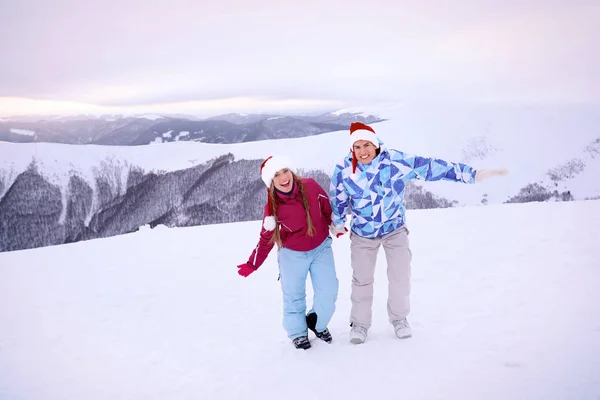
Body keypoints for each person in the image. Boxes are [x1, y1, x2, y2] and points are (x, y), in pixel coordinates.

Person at [329, 122, 508, 344]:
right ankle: (360, 324)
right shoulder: (344, 170)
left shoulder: (396, 162)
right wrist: (337, 223)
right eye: (357, 147)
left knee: (400, 277)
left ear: (376, 145)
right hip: (363, 234)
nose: (363, 151)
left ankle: (399, 319)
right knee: (362, 280)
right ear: (351, 149)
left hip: (395, 230)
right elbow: (337, 199)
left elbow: (431, 167)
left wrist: (472, 174)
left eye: (367, 145)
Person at [237, 155, 340, 350]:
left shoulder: (311, 186)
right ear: (271, 182)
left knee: (329, 290)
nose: (283, 177)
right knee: (294, 296)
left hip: (321, 248)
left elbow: (327, 209)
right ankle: (298, 333)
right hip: (292, 255)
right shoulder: (272, 208)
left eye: (285, 171)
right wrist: (253, 263)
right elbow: (266, 239)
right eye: (276, 175)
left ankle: (317, 323)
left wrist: (336, 225)